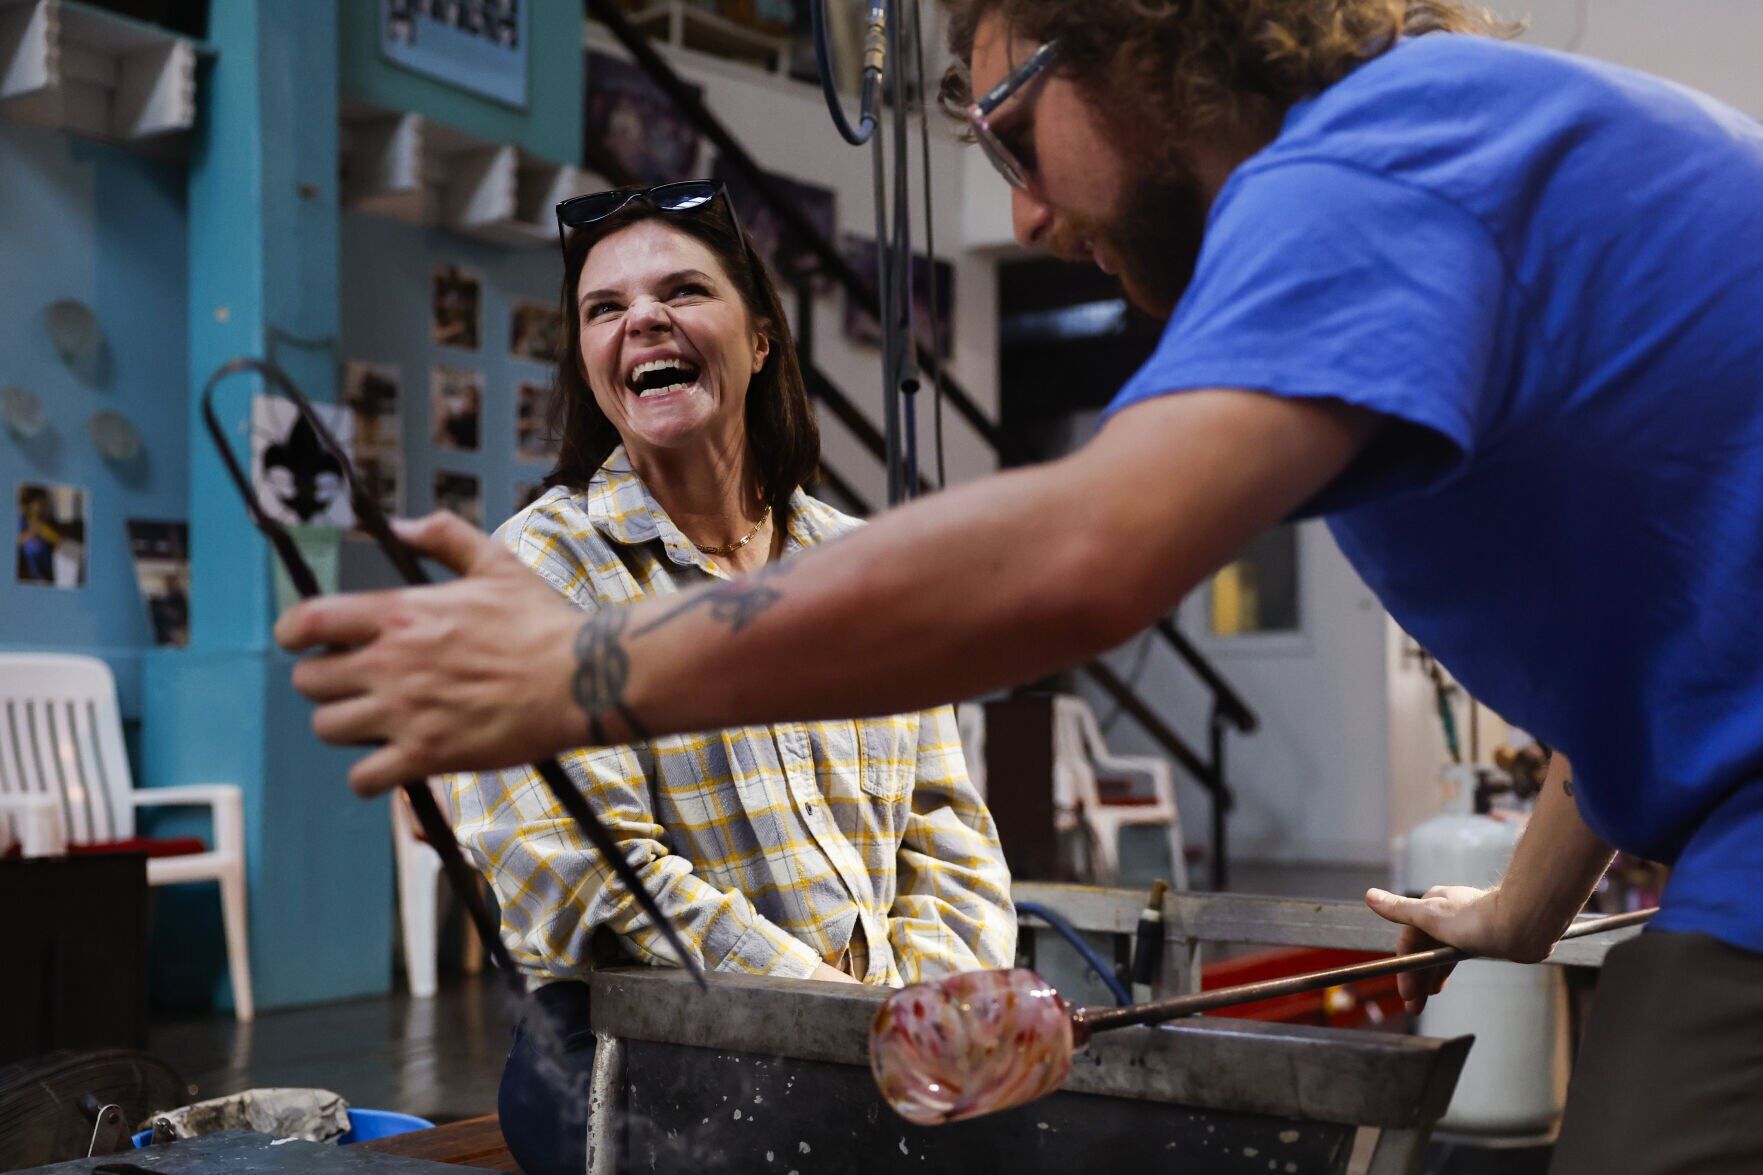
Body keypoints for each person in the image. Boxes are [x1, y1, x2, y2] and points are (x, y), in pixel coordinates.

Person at [279, 2, 1763, 1169]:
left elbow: (1081, 555)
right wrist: (1518, 905)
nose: (1023, 217)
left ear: (1138, 43)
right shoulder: (1434, 145)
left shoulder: (1363, 172)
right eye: (604, 306)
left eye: (1009, 132)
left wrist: (580, 669)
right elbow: (1642, 646)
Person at [436, 182, 1015, 1175]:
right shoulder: (538, 571)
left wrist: (931, 1015)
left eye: (681, 290)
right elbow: (592, 878)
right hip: (647, 1070)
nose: (642, 319)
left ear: (759, 340)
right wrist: (846, 1027)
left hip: (885, 1056)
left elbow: (946, 828)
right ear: (588, 365)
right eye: (604, 308)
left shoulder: (862, 568)